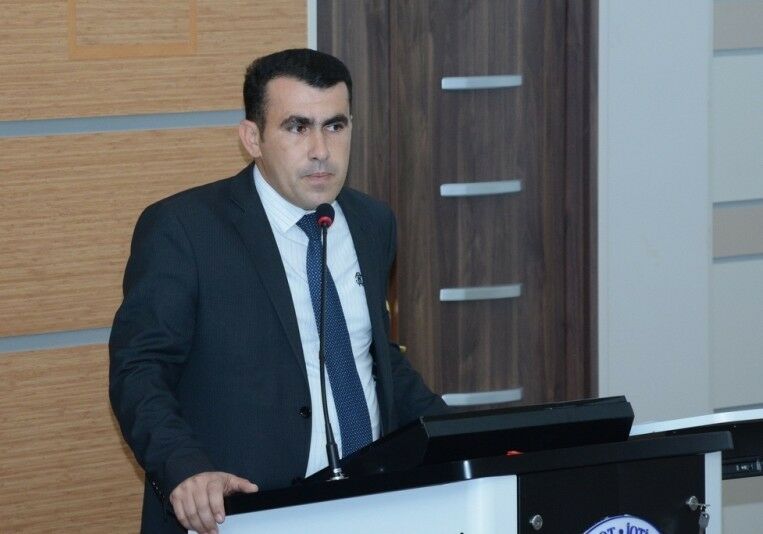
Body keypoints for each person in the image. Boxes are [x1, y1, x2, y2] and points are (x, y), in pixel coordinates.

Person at [109, 48, 446, 534]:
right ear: (253, 138)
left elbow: (369, 354)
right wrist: (184, 467)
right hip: (241, 510)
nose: (320, 150)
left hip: (368, 504)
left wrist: (458, 434)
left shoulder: (372, 222)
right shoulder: (184, 229)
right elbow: (139, 369)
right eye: (297, 127)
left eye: (335, 126)